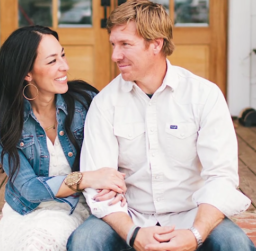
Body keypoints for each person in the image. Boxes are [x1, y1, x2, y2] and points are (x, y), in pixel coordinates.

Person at [67, 1, 256, 251]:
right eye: (113, 44)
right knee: (84, 242)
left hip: (192, 214)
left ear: (156, 43)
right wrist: (133, 234)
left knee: (235, 244)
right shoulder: (105, 103)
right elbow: (100, 188)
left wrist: (196, 234)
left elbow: (221, 177)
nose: (115, 55)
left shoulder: (204, 95)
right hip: (130, 216)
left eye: (125, 44)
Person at [0, 25, 126, 251]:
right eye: (52, 61)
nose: (65, 66)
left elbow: (115, 154)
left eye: (62, 55)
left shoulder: (85, 103)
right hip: (27, 209)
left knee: (37, 244)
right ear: (27, 72)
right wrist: (86, 178)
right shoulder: (3, 118)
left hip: (76, 206)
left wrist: (109, 185)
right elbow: (29, 188)